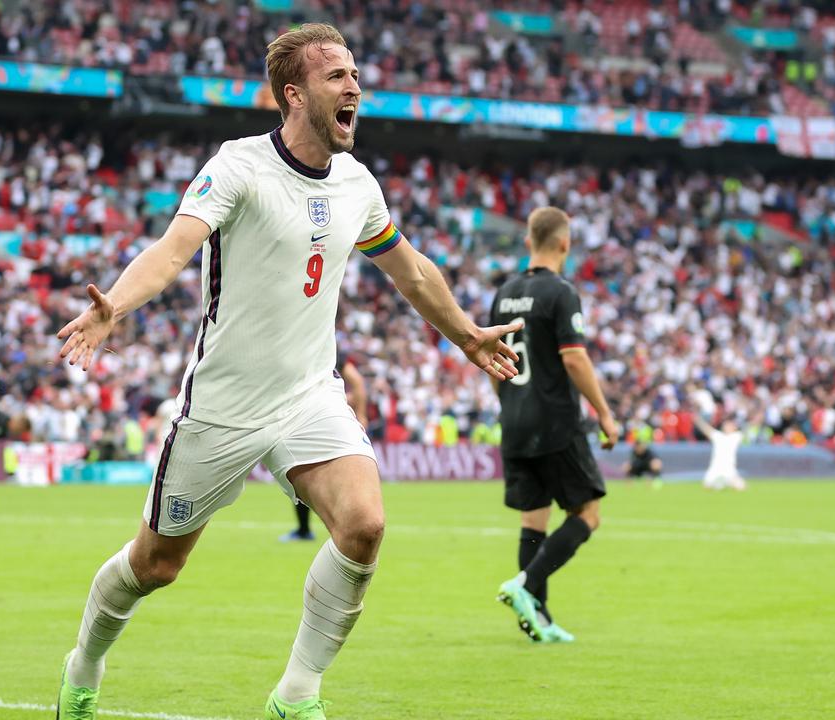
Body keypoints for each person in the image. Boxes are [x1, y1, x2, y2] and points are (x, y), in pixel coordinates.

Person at [52, 23, 520, 720]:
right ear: (293, 95)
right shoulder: (238, 166)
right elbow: (174, 250)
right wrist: (112, 306)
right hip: (223, 405)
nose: (354, 86)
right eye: (336, 76)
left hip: (308, 395)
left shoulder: (358, 184)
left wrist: (467, 337)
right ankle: (82, 665)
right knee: (156, 566)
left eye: (354, 74)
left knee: (363, 525)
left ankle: (296, 695)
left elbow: (412, 272)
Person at [488, 207, 619, 644]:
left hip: (515, 420)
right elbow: (574, 357)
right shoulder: (561, 292)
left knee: (534, 520)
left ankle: (539, 620)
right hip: (556, 421)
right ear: (565, 243)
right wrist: (603, 411)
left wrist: (507, 403)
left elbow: (492, 359)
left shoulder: (504, 293)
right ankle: (524, 586)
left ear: (528, 241)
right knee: (588, 513)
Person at [281, 349, 367, 542]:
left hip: (321, 420)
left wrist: (360, 413)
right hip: (310, 419)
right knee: (301, 473)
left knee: (306, 472)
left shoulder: (330, 350)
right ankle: (308, 529)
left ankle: (341, 527)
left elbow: (357, 383)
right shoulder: (320, 348)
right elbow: (357, 383)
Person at [694, 415, 745, 490]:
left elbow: (749, 427)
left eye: (729, 425)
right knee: (706, 486)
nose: (727, 427)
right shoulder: (718, 436)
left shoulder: (736, 436)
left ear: (734, 427)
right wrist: (698, 420)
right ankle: (720, 484)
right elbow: (707, 430)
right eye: (726, 425)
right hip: (715, 467)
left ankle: (724, 483)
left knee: (741, 487)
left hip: (729, 468)